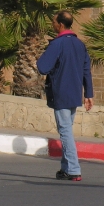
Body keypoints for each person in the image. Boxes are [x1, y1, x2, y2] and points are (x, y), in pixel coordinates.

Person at [37, 12, 93, 182]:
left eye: (54, 21)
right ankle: (65, 168)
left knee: (65, 131)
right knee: (67, 128)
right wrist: (88, 94)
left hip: (61, 92)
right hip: (76, 92)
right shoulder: (80, 44)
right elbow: (86, 70)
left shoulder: (58, 44)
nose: (52, 24)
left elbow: (43, 67)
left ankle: (74, 169)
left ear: (60, 24)